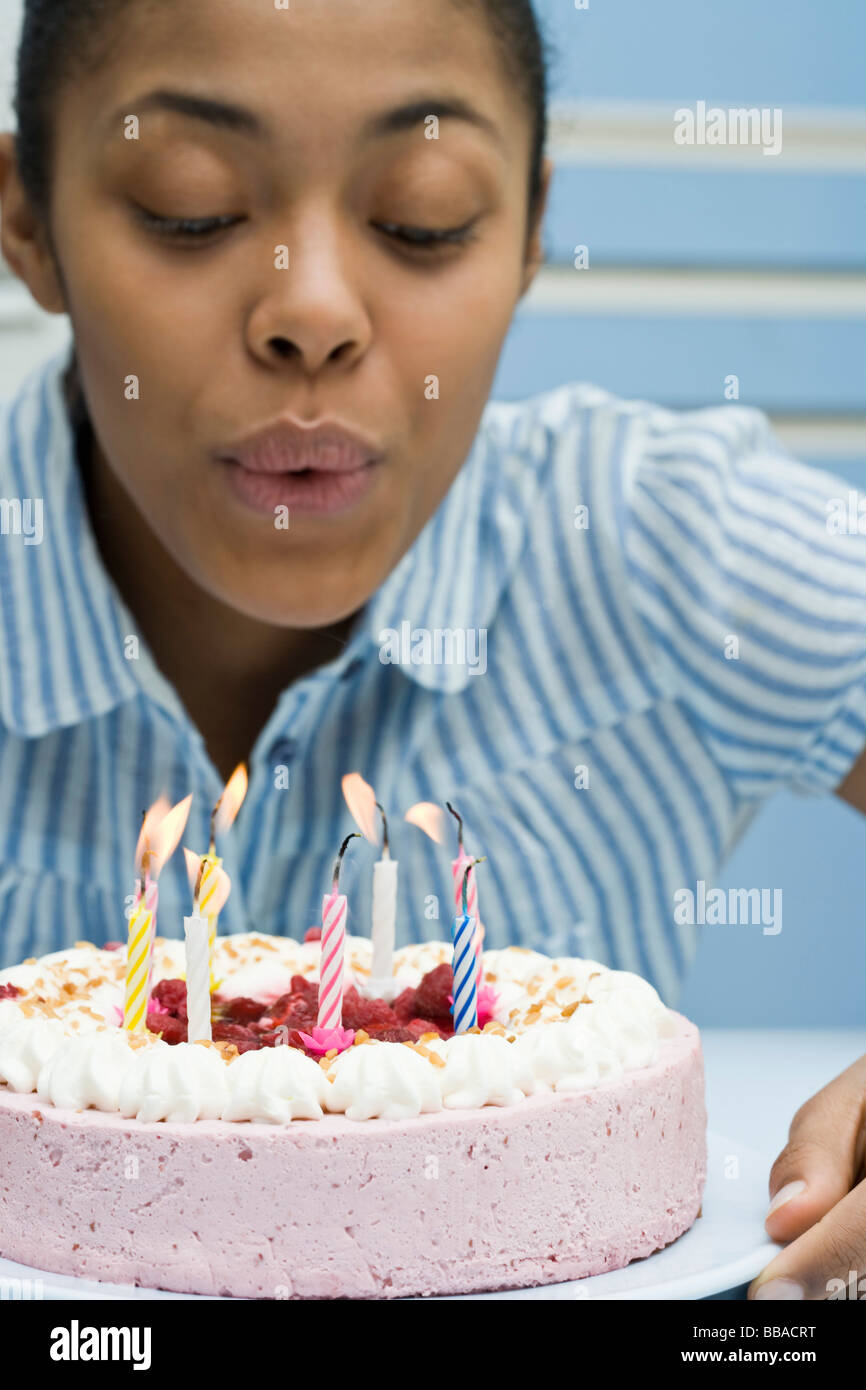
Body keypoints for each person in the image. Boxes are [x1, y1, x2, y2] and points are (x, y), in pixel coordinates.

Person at [0, 0, 864, 1301]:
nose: (312, 314)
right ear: (26, 221)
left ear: (526, 232)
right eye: (191, 208)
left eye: (421, 218)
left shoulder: (660, 541)